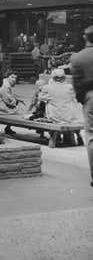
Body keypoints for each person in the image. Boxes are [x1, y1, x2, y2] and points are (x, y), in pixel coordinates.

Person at [69, 25, 93, 187]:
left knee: (91, 136)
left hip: (90, 97)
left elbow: (76, 83)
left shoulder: (78, 58)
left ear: (85, 38)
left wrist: (82, 99)